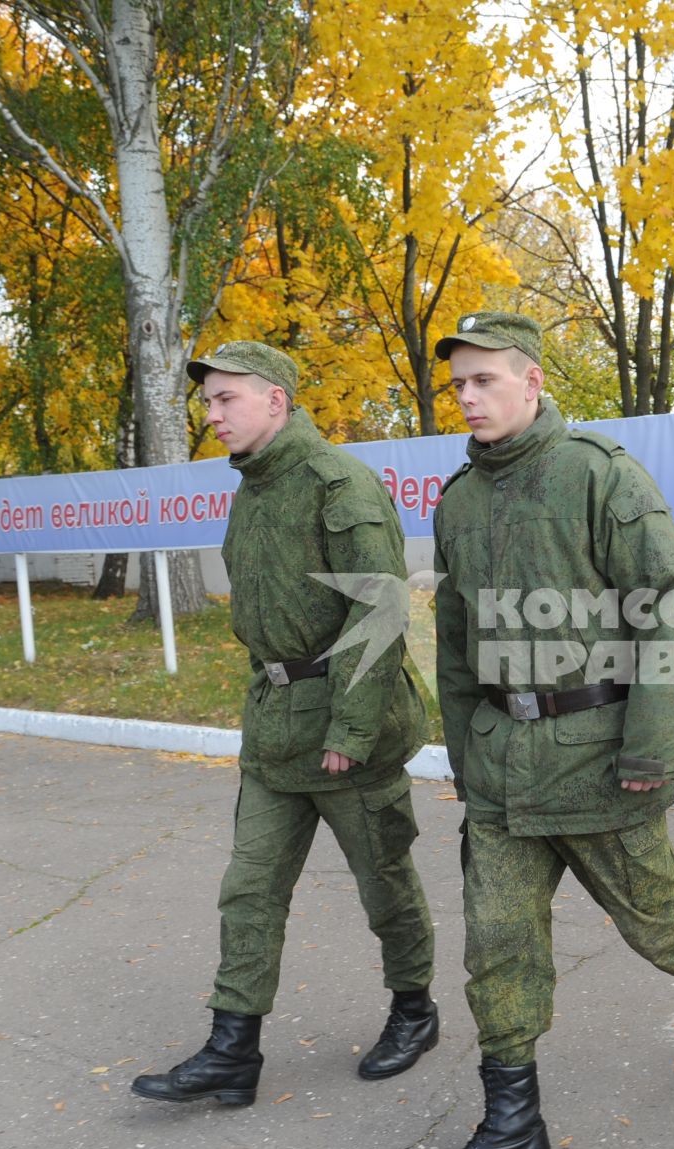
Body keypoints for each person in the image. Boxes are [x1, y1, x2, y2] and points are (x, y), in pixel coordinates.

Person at [413, 311, 674, 1149]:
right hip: (500, 768)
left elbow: (670, 609)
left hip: (599, 760)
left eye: (485, 381)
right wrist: (463, 749)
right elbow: (455, 641)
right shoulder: (458, 500)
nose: (469, 398)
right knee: (497, 944)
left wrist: (655, 748)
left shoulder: (600, 478)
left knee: (657, 924)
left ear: (530, 380)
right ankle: (513, 1129)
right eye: (459, 385)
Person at [132, 341, 439, 1107]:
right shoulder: (253, 489)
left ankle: (415, 1008)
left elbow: (380, 611)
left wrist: (351, 733)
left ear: (275, 399)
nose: (212, 415)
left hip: (346, 733)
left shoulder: (338, 484)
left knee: (385, 884)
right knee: (250, 888)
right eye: (207, 403)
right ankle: (233, 1046)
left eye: (225, 399)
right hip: (274, 731)